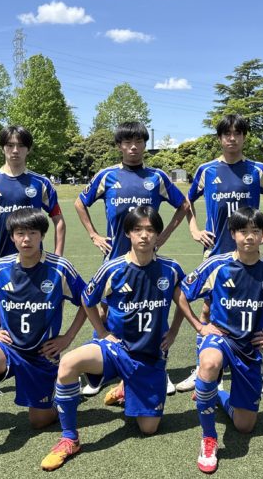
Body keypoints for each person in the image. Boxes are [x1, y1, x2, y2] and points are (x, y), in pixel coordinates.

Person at [40, 206, 185, 471]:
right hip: (117, 349)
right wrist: (103, 333)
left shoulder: (170, 269)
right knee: (69, 363)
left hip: (150, 357)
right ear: (128, 233)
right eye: (137, 229)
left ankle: (124, 388)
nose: (144, 235)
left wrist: (174, 331)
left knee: (149, 429)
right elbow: (87, 298)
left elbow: (183, 300)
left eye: (150, 230)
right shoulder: (113, 268)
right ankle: (69, 438)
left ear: (158, 234)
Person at [0, 209, 87, 471]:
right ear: (12, 237)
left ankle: (61, 390)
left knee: (39, 421)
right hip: (8, 349)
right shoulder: (0, 268)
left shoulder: (59, 268)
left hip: (42, 354)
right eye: (20, 233)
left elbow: (88, 301)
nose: (26, 239)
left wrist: (67, 338)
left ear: (42, 235)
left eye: (32, 233)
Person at [178, 207, 263, 473]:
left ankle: (214, 394)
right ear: (233, 233)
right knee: (209, 363)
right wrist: (200, 327)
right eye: (243, 231)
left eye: (255, 231)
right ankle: (209, 438)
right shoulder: (217, 265)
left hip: (251, 349)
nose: (249, 237)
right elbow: (181, 291)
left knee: (244, 425)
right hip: (221, 339)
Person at [75, 121, 188, 398]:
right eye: (127, 142)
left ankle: (159, 368)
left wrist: (164, 236)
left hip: (149, 261)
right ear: (119, 146)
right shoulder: (107, 176)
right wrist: (93, 235)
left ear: (145, 145)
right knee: (104, 314)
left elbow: (183, 205)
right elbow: (80, 202)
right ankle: (98, 372)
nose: (133, 147)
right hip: (114, 260)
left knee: (153, 312)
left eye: (139, 141)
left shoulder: (157, 177)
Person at [177, 114, 263, 395]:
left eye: (238, 133)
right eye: (227, 134)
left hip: (248, 251)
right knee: (208, 308)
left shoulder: (257, 170)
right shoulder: (206, 170)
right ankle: (203, 366)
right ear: (220, 138)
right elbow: (187, 202)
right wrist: (194, 229)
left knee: (253, 307)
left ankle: (255, 368)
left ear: (244, 137)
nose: (232, 138)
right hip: (215, 251)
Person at [0, 125, 66, 403]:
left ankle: (47, 367)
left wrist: (57, 257)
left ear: (28, 149)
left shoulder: (41, 183)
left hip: (35, 268)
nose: (15, 150)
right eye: (10, 145)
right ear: (3, 148)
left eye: (20, 145)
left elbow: (58, 220)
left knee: (39, 315)